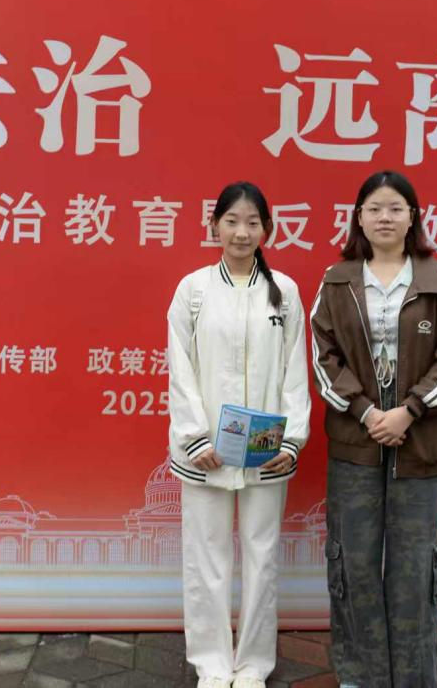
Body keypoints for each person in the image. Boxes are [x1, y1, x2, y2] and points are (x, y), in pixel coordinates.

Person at [310, 170, 437, 688]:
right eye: (375, 208)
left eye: (395, 208)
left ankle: (413, 677)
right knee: (353, 563)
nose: (385, 217)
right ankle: (361, 676)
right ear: (358, 218)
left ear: (412, 218)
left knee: (415, 568)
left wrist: (409, 410)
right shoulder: (337, 281)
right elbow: (323, 356)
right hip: (355, 440)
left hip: (421, 442)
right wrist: (366, 412)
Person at [167, 181, 311, 688]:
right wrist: (195, 436)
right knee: (205, 558)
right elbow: (180, 368)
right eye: (231, 221)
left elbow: (296, 369)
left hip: (266, 451)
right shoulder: (193, 290)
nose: (242, 232)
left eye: (252, 222)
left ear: (267, 229)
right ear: (215, 226)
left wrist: (292, 440)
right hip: (204, 451)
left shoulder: (284, 292)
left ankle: (252, 666)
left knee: (262, 557)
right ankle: (211, 664)